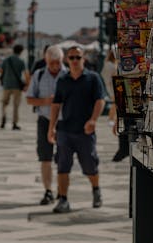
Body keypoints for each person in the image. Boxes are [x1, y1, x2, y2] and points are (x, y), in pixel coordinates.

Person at [48, 45, 105, 213]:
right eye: (71, 58)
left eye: (77, 58)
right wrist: (51, 128)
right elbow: (56, 104)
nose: (74, 61)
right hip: (65, 130)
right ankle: (63, 200)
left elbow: (100, 100)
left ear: (83, 59)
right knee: (62, 166)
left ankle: (96, 190)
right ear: (67, 60)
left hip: (85, 131)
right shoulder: (62, 80)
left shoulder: (93, 78)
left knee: (89, 165)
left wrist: (93, 120)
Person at [26, 45, 67, 205]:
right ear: (46, 60)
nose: (56, 67)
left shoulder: (68, 74)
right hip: (44, 120)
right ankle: (48, 190)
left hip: (64, 121)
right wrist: (47, 101)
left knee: (64, 158)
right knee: (45, 158)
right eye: (52, 63)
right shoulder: (39, 74)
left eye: (58, 63)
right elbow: (29, 99)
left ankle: (62, 192)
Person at [101, 47, 128, 162]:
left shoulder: (107, 63)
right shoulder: (111, 65)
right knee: (115, 103)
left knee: (115, 103)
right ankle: (112, 118)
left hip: (111, 86)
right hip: (114, 86)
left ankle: (112, 118)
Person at [0, 44, 27, 130]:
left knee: (4, 103)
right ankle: (14, 123)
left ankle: (4, 116)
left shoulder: (6, 60)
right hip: (17, 86)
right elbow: (26, 74)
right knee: (16, 105)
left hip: (6, 84)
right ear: (21, 51)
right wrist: (26, 85)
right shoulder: (21, 61)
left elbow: (1, 70)